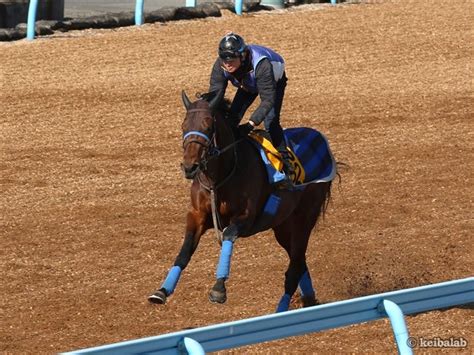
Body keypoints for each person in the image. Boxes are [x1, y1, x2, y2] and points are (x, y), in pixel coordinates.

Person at [208, 32, 295, 182]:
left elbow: (267, 100)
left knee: (271, 121)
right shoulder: (220, 64)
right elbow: (215, 95)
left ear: (242, 56)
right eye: (224, 59)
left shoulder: (262, 65)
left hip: (271, 82)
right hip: (247, 83)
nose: (227, 64)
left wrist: (250, 124)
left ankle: (286, 164)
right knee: (231, 119)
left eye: (232, 59)